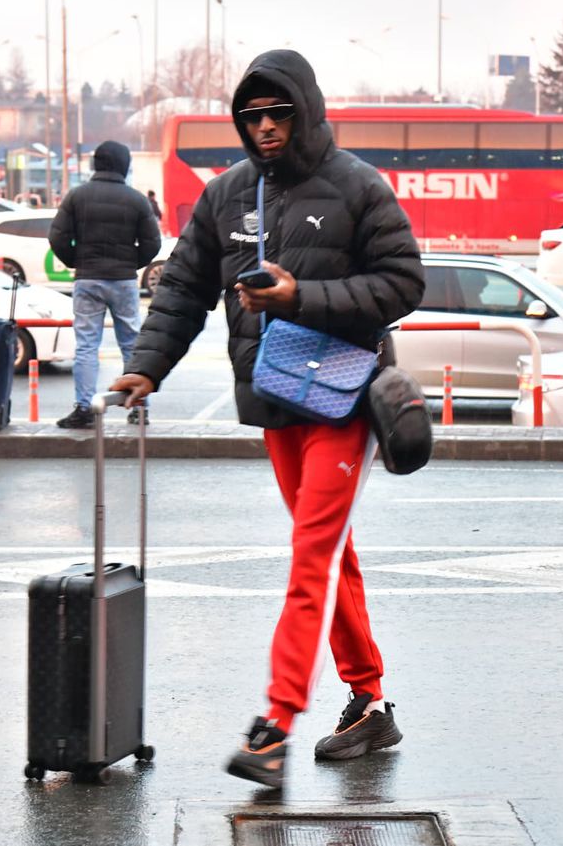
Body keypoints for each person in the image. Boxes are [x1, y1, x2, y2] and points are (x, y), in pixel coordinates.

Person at [109, 49, 424, 791]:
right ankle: (369, 699)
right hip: (276, 398)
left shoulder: (358, 186)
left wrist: (299, 298)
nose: (265, 127)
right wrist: (147, 366)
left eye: (278, 113)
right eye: (251, 117)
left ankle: (275, 725)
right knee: (330, 550)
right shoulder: (225, 195)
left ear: (305, 111)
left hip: (344, 399)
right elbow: (182, 288)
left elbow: (404, 281)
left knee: (312, 555)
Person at [48, 140, 160, 428]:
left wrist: (77, 261)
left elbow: (57, 237)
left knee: (87, 345)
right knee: (132, 344)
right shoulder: (137, 200)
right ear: (124, 165)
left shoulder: (77, 196)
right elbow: (152, 243)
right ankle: (139, 407)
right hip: (123, 281)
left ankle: (85, 409)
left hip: (88, 279)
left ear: (95, 164)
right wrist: (130, 263)